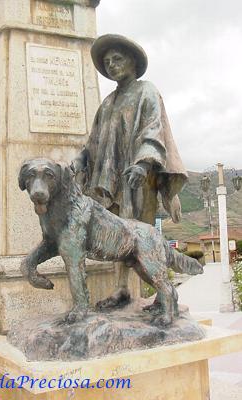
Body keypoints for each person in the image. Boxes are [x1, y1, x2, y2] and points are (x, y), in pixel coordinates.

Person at [72, 34, 188, 309]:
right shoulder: (108, 103)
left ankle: (163, 293)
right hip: (112, 182)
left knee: (142, 236)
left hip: (139, 179)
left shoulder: (146, 91)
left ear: (132, 62)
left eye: (117, 59)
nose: (111, 65)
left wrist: (143, 163)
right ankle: (122, 289)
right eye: (107, 62)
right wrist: (80, 160)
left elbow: (153, 129)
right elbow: (94, 142)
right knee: (117, 235)